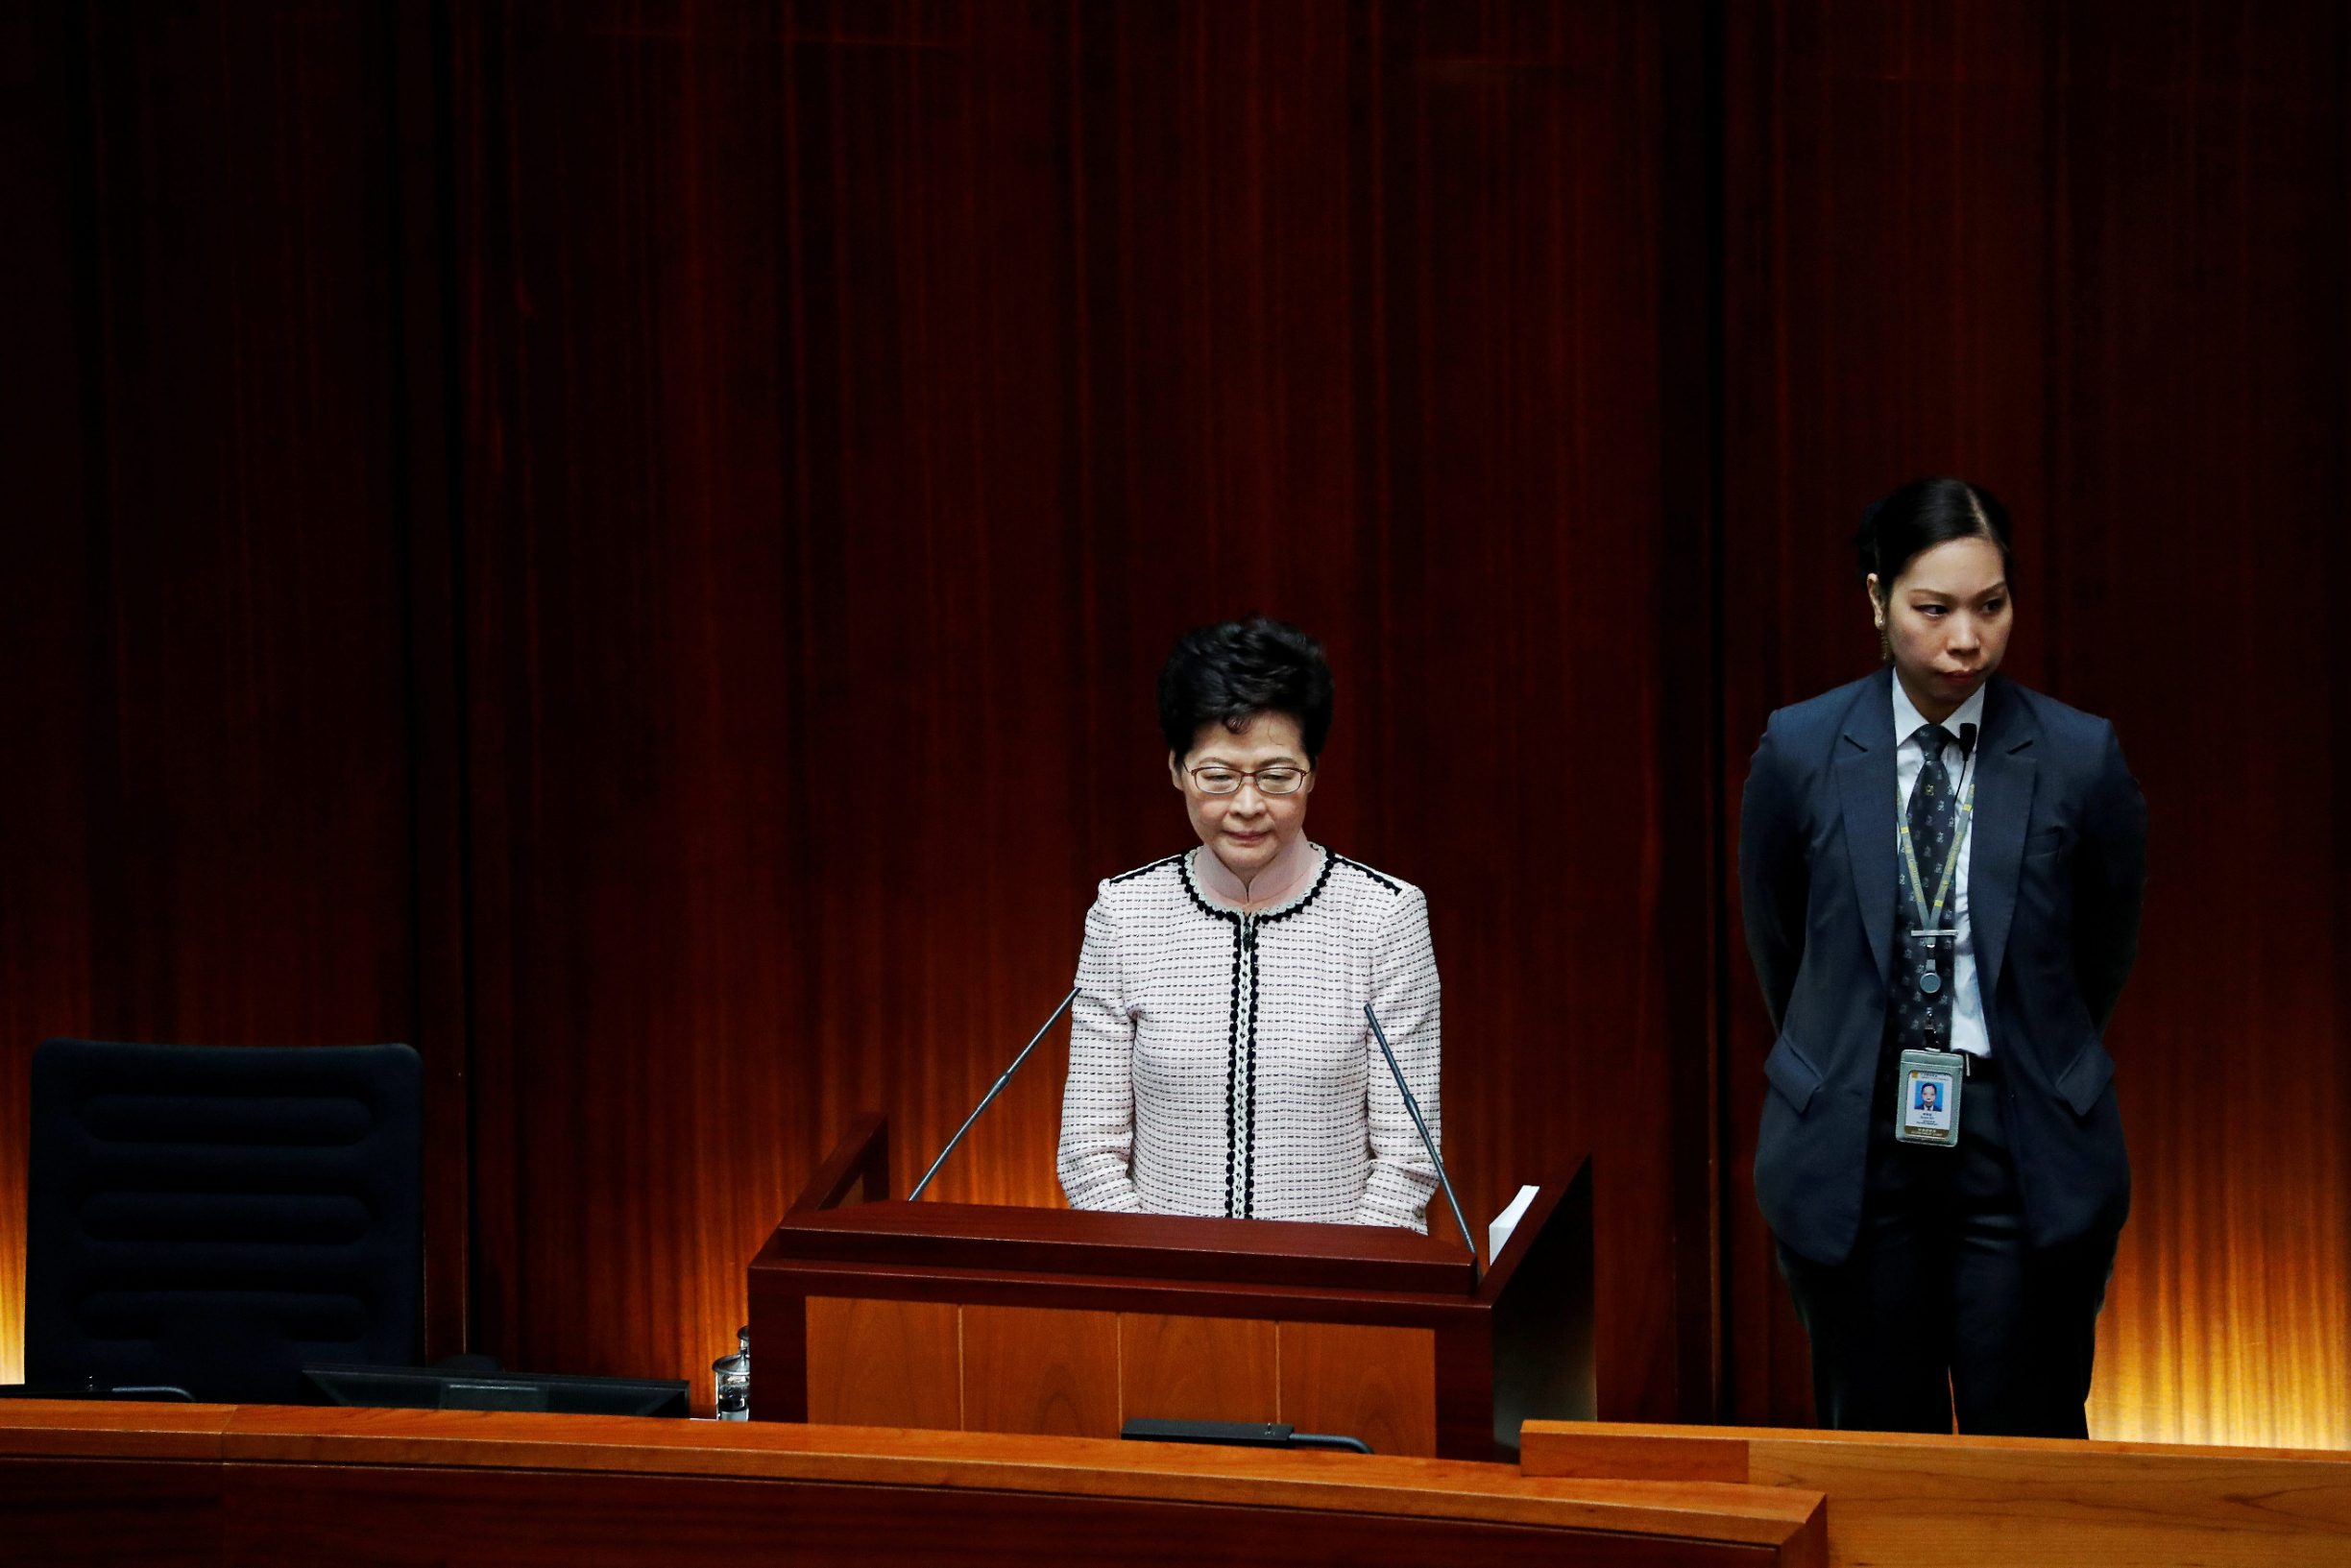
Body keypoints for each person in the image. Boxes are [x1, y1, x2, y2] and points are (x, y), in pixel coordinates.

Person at [1739, 476, 2146, 1437]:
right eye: (1934, 609)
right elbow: (1781, 944)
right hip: (1856, 1147)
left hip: (2021, 1148)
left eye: (1991, 605)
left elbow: (2102, 949)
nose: (1967, 639)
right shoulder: (1801, 750)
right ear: (1876, 601)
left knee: (2029, 1455)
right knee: (1880, 1456)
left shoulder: (2078, 755)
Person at [1056, 616, 1441, 1230]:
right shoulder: (1122, 915)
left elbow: (1408, 1159)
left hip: (1336, 1296)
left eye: (1276, 775)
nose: (1247, 804)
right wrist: (1155, 1279)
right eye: (1218, 776)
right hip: (1163, 1296)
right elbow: (1088, 1151)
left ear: (1312, 772)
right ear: (1178, 770)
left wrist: (1333, 1291)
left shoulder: (1384, 917)